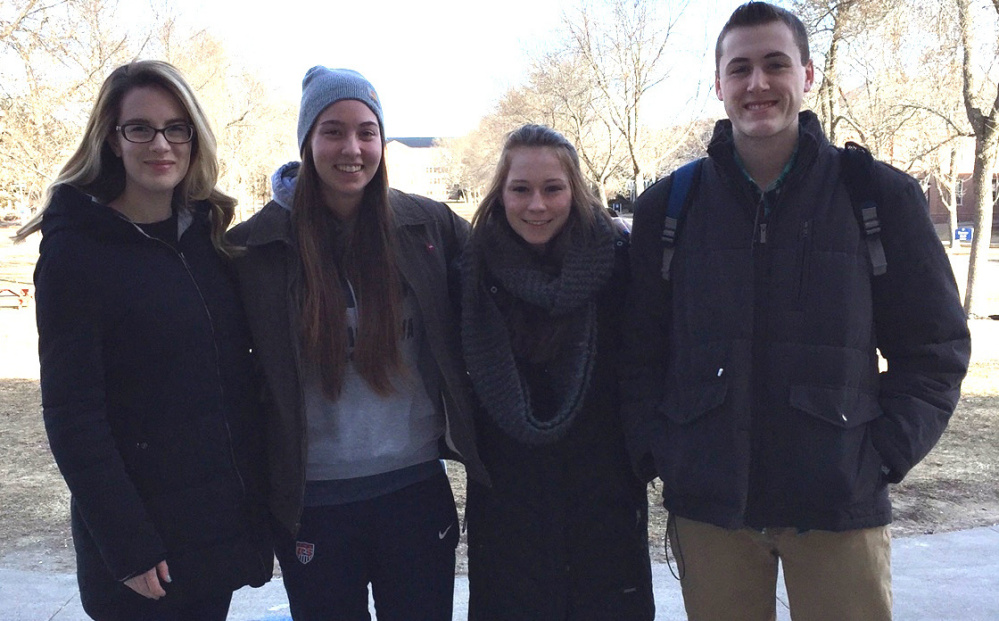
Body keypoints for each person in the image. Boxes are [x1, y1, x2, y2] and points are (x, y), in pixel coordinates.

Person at [622, 2, 971, 620]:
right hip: (711, 511)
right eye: (741, 69)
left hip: (839, 506)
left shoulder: (878, 195)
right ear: (719, 84)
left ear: (807, 76)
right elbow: (638, 351)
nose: (758, 84)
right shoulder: (670, 207)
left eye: (775, 65)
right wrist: (667, 452)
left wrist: (881, 454)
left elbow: (935, 349)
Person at [227, 66, 489, 621]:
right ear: (307, 141)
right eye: (333, 130)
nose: (353, 148)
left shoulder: (426, 226)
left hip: (415, 488)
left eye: (367, 132)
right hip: (314, 500)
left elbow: (504, 267)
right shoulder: (256, 248)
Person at [15, 60, 273, 620]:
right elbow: (72, 413)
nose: (162, 143)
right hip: (143, 553)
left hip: (213, 529)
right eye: (141, 128)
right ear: (112, 138)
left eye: (176, 127)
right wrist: (125, 542)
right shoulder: (76, 253)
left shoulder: (207, 240)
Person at [460, 124, 654, 620]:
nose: (537, 205)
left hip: (604, 500)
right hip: (507, 504)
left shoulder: (619, 266)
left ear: (577, 191)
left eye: (553, 189)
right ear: (500, 194)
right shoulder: (471, 274)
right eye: (520, 189)